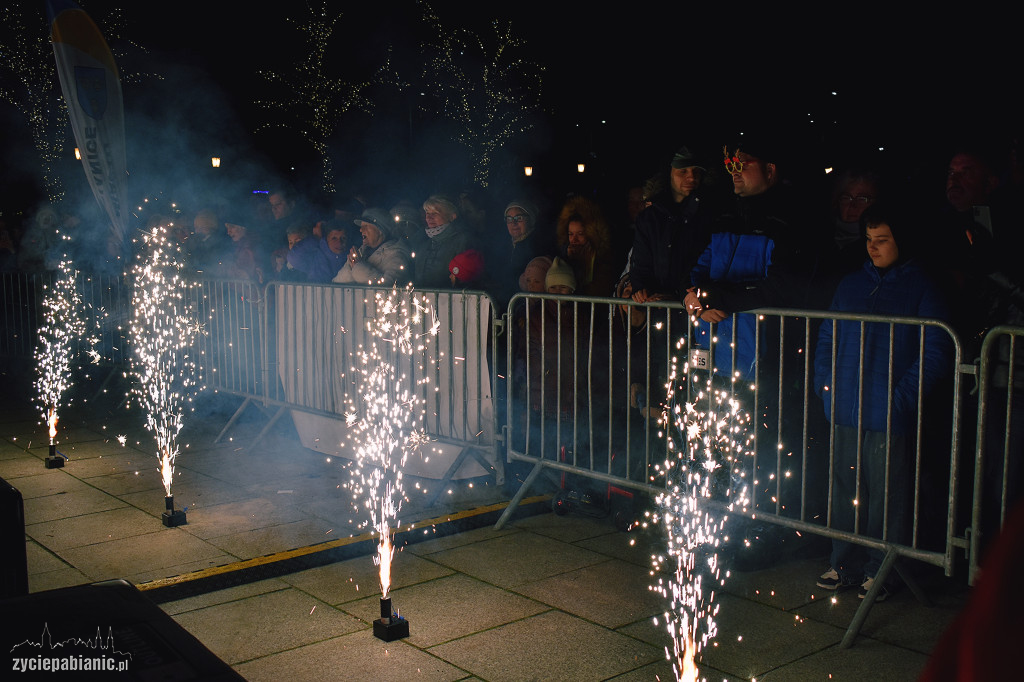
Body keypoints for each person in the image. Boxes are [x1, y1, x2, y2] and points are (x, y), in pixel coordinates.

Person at [813, 203, 951, 600]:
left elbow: (936, 349)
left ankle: (882, 569)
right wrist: (826, 385)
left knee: (887, 498)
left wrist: (902, 398)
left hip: (889, 413)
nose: (873, 247)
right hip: (845, 407)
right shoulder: (851, 285)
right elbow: (827, 337)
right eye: (869, 240)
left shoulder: (922, 286)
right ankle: (844, 564)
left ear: (901, 241)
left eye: (882, 240)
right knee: (844, 491)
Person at [628, 145, 716, 303]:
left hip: (694, 305)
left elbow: (703, 261)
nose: (691, 177)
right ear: (669, 173)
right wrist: (641, 289)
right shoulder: (650, 217)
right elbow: (641, 261)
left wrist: (680, 295)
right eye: (683, 171)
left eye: (696, 171)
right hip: (657, 306)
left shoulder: (709, 213)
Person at [555, 195, 619, 297]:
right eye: (571, 234)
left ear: (591, 233)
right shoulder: (562, 256)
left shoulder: (604, 257)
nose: (574, 240)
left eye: (580, 234)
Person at [333, 207, 412, 287]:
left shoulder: (397, 255)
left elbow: (389, 287)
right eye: (361, 226)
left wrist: (357, 267)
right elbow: (336, 283)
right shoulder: (361, 252)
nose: (361, 230)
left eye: (366, 226)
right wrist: (352, 267)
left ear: (380, 230)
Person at [414, 194, 475, 289]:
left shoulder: (463, 241)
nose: (429, 218)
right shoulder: (423, 242)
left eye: (435, 213)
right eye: (427, 213)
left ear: (452, 216)